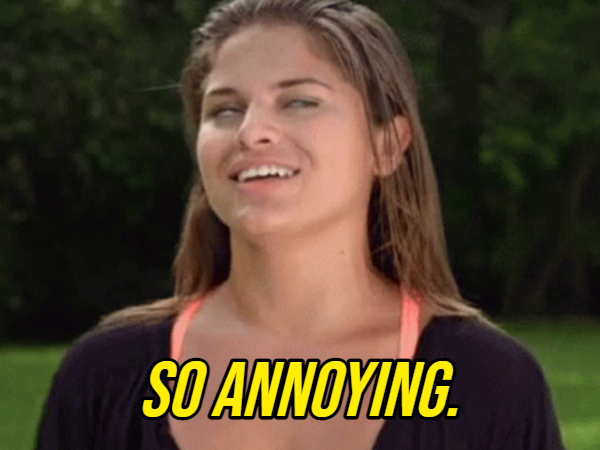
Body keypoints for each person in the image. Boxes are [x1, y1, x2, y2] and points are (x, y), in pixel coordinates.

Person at [36, 0, 565, 449]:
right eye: (225, 110)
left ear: (388, 144)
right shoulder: (105, 378)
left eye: (299, 101)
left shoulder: (491, 384)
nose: (251, 132)